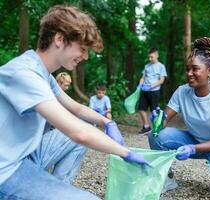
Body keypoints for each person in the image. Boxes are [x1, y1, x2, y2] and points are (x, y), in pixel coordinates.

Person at [0, 5, 148, 200]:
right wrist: (125, 152)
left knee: (88, 123)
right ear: (59, 39)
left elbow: (76, 108)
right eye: (82, 49)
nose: (86, 57)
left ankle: (57, 188)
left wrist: (107, 122)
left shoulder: (43, 72)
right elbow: (78, 133)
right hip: (6, 171)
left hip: (26, 156)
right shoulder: (24, 73)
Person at [148, 37, 210, 200]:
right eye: (187, 69)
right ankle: (167, 178)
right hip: (193, 139)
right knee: (156, 136)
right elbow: (165, 119)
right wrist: (158, 120)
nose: (189, 73)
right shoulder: (182, 92)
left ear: (209, 71)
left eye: (195, 69)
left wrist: (193, 149)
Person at [137, 47, 167, 134]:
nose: (150, 59)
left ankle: (157, 128)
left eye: (152, 57)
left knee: (154, 111)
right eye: (149, 57)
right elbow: (143, 77)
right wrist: (140, 85)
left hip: (154, 91)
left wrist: (151, 86)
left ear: (157, 55)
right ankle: (146, 127)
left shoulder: (161, 66)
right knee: (141, 109)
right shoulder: (147, 66)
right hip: (144, 91)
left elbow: (162, 80)